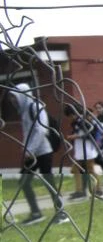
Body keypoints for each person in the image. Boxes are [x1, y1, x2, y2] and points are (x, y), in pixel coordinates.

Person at [10, 83, 68, 225]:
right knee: (24, 182)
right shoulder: (24, 110)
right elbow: (29, 131)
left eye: (14, 97)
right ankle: (36, 213)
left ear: (23, 94)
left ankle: (61, 214)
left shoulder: (36, 106)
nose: (13, 100)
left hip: (43, 151)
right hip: (33, 153)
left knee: (48, 182)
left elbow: (41, 130)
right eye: (11, 98)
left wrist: (30, 149)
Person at [64, 104, 102, 199]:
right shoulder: (76, 122)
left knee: (90, 170)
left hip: (87, 151)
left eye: (69, 117)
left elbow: (91, 133)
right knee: (75, 170)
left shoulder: (83, 121)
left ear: (73, 114)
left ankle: (98, 190)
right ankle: (80, 191)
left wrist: (76, 137)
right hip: (80, 151)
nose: (69, 119)